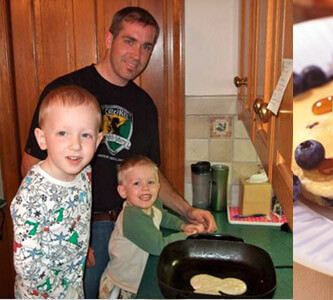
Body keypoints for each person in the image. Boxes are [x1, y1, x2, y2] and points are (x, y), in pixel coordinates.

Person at [20, 6, 217, 298]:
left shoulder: (145, 106)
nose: (137, 55)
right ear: (109, 39)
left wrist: (187, 211)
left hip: (132, 224)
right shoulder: (67, 90)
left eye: (146, 46)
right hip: (87, 229)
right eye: (129, 41)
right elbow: (31, 166)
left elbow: (151, 174)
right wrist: (70, 236)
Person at [11, 86, 104, 298]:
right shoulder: (32, 195)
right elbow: (27, 266)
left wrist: (82, 246)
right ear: (42, 139)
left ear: (98, 141)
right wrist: (65, 294)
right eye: (63, 133)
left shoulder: (85, 173)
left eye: (86, 135)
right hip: (41, 294)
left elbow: (77, 217)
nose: (75, 145)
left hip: (73, 282)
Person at [98, 156, 204, 298]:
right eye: (136, 183)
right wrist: (187, 236)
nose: (145, 188)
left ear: (158, 186)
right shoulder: (132, 216)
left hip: (135, 281)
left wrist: (183, 225)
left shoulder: (152, 204)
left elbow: (163, 216)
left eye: (150, 182)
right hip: (121, 286)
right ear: (123, 191)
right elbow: (159, 246)